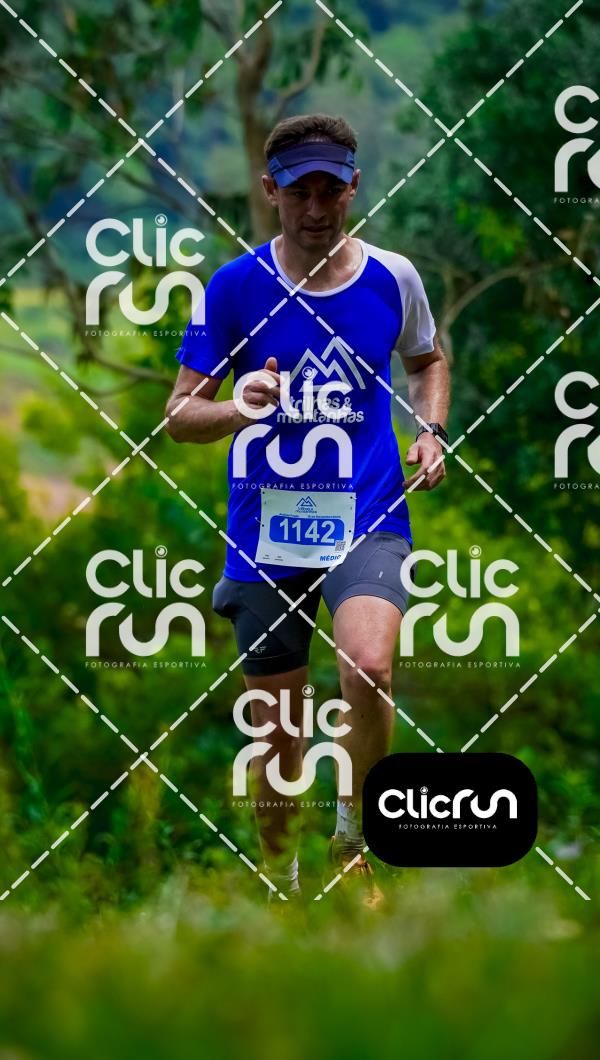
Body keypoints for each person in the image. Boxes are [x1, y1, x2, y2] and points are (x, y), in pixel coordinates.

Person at [166, 113, 449, 907]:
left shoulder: (393, 278)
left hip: (367, 511)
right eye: (300, 192)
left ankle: (354, 843)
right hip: (267, 530)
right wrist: (240, 408)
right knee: (280, 730)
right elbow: (180, 415)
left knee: (370, 667)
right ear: (270, 191)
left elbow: (427, 360)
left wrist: (430, 429)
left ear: (354, 187)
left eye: (331, 190)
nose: (316, 208)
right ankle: (280, 882)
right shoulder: (233, 288)